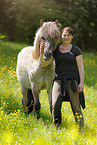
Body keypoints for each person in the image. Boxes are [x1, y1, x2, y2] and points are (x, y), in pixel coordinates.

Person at [40, 27, 85, 130]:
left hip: (73, 81)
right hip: (58, 80)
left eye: (68, 35)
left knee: (76, 107)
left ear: (72, 37)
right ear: (61, 36)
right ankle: (57, 128)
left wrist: (81, 82)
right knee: (54, 105)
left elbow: (81, 67)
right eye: (64, 35)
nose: (66, 37)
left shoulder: (76, 50)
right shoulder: (56, 50)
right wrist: (42, 51)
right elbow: (44, 64)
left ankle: (81, 129)